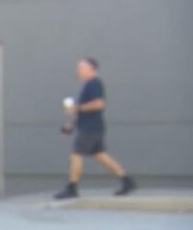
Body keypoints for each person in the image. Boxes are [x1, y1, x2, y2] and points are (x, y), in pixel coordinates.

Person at [54, 58, 136, 199]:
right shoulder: (88, 85)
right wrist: (71, 124)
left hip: (90, 128)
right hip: (93, 127)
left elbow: (99, 104)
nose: (78, 70)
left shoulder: (94, 83)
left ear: (92, 69)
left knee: (76, 155)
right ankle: (127, 181)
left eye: (81, 67)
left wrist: (76, 107)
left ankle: (72, 187)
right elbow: (84, 110)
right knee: (101, 156)